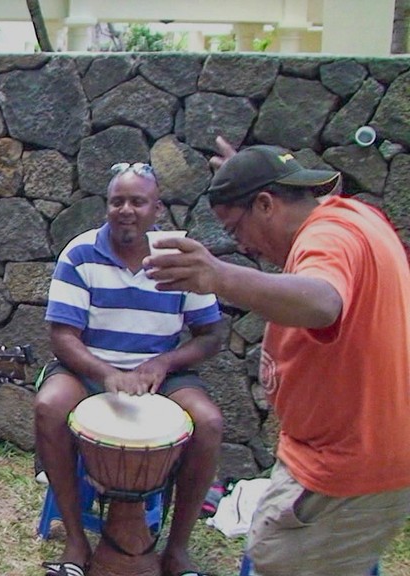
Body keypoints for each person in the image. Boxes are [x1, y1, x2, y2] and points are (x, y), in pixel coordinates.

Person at [147, 144, 410, 576]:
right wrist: (249, 170)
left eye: (236, 231)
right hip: (344, 457)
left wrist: (219, 275)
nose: (244, 247)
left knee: (276, 558)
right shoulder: (355, 217)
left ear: (267, 204)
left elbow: (323, 302)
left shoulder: (328, 237)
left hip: (343, 472)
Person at [34, 163, 227, 576]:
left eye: (137, 201)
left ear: (156, 209)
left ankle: (176, 550)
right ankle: (74, 540)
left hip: (162, 373)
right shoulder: (80, 253)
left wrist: (163, 362)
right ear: (106, 206)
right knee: (48, 407)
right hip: (87, 368)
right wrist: (105, 373)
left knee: (208, 423)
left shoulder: (177, 257)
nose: (125, 209)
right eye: (116, 201)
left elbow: (210, 336)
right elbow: (63, 337)